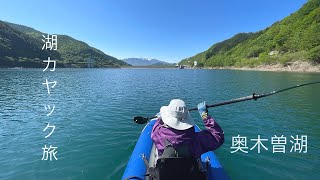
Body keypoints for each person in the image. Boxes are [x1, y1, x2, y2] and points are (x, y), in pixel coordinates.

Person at [151, 99, 224, 158]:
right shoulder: (195, 140)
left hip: (166, 170)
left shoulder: (157, 133)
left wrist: (160, 118)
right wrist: (205, 115)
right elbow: (218, 137)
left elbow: (156, 126)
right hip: (189, 172)